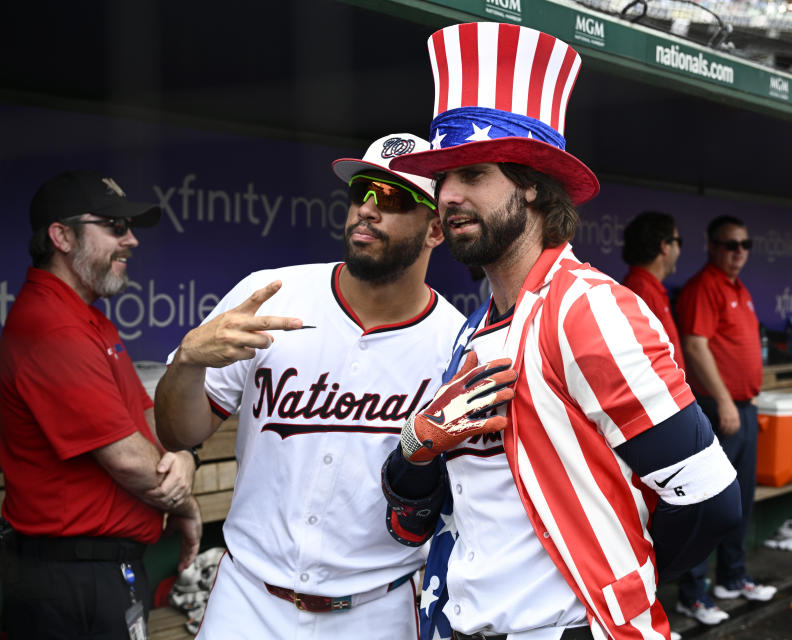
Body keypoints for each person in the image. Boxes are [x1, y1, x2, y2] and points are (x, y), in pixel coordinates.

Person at [383, 22, 741, 640]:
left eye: (473, 174)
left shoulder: (588, 309)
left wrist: (624, 582)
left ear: (531, 184)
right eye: (443, 179)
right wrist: (411, 458)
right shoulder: (476, 326)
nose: (448, 195)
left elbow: (710, 503)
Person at [154, 134, 478, 639]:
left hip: (376, 609)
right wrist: (189, 363)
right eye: (361, 192)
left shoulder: (457, 346)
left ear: (436, 228)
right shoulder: (271, 294)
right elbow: (177, 433)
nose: (367, 209)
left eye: (392, 198)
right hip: (248, 599)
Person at [0, 170, 201, 639]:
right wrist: (188, 504)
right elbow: (131, 461)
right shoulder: (52, 326)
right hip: (68, 582)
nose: (130, 240)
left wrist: (186, 457)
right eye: (114, 226)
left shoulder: (87, 318)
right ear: (62, 236)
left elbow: (149, 417)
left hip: (102, 572)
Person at [674, 215, 776, 625]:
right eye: (730, 244)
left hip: (744, 407)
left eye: (745, 244)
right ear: (712, 246)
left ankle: (733, 578)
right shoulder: (704, 286)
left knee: (740, 503)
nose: (739, 252)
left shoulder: (739, 288)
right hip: (719, 408)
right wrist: (724, 400)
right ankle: (692, 593)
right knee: (712, 503)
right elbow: (695, 346)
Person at [621, 211, 685, 370]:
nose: (679, 250)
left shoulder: (648, 286)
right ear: (664, 246)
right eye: (678, 241)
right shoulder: (640, 289)